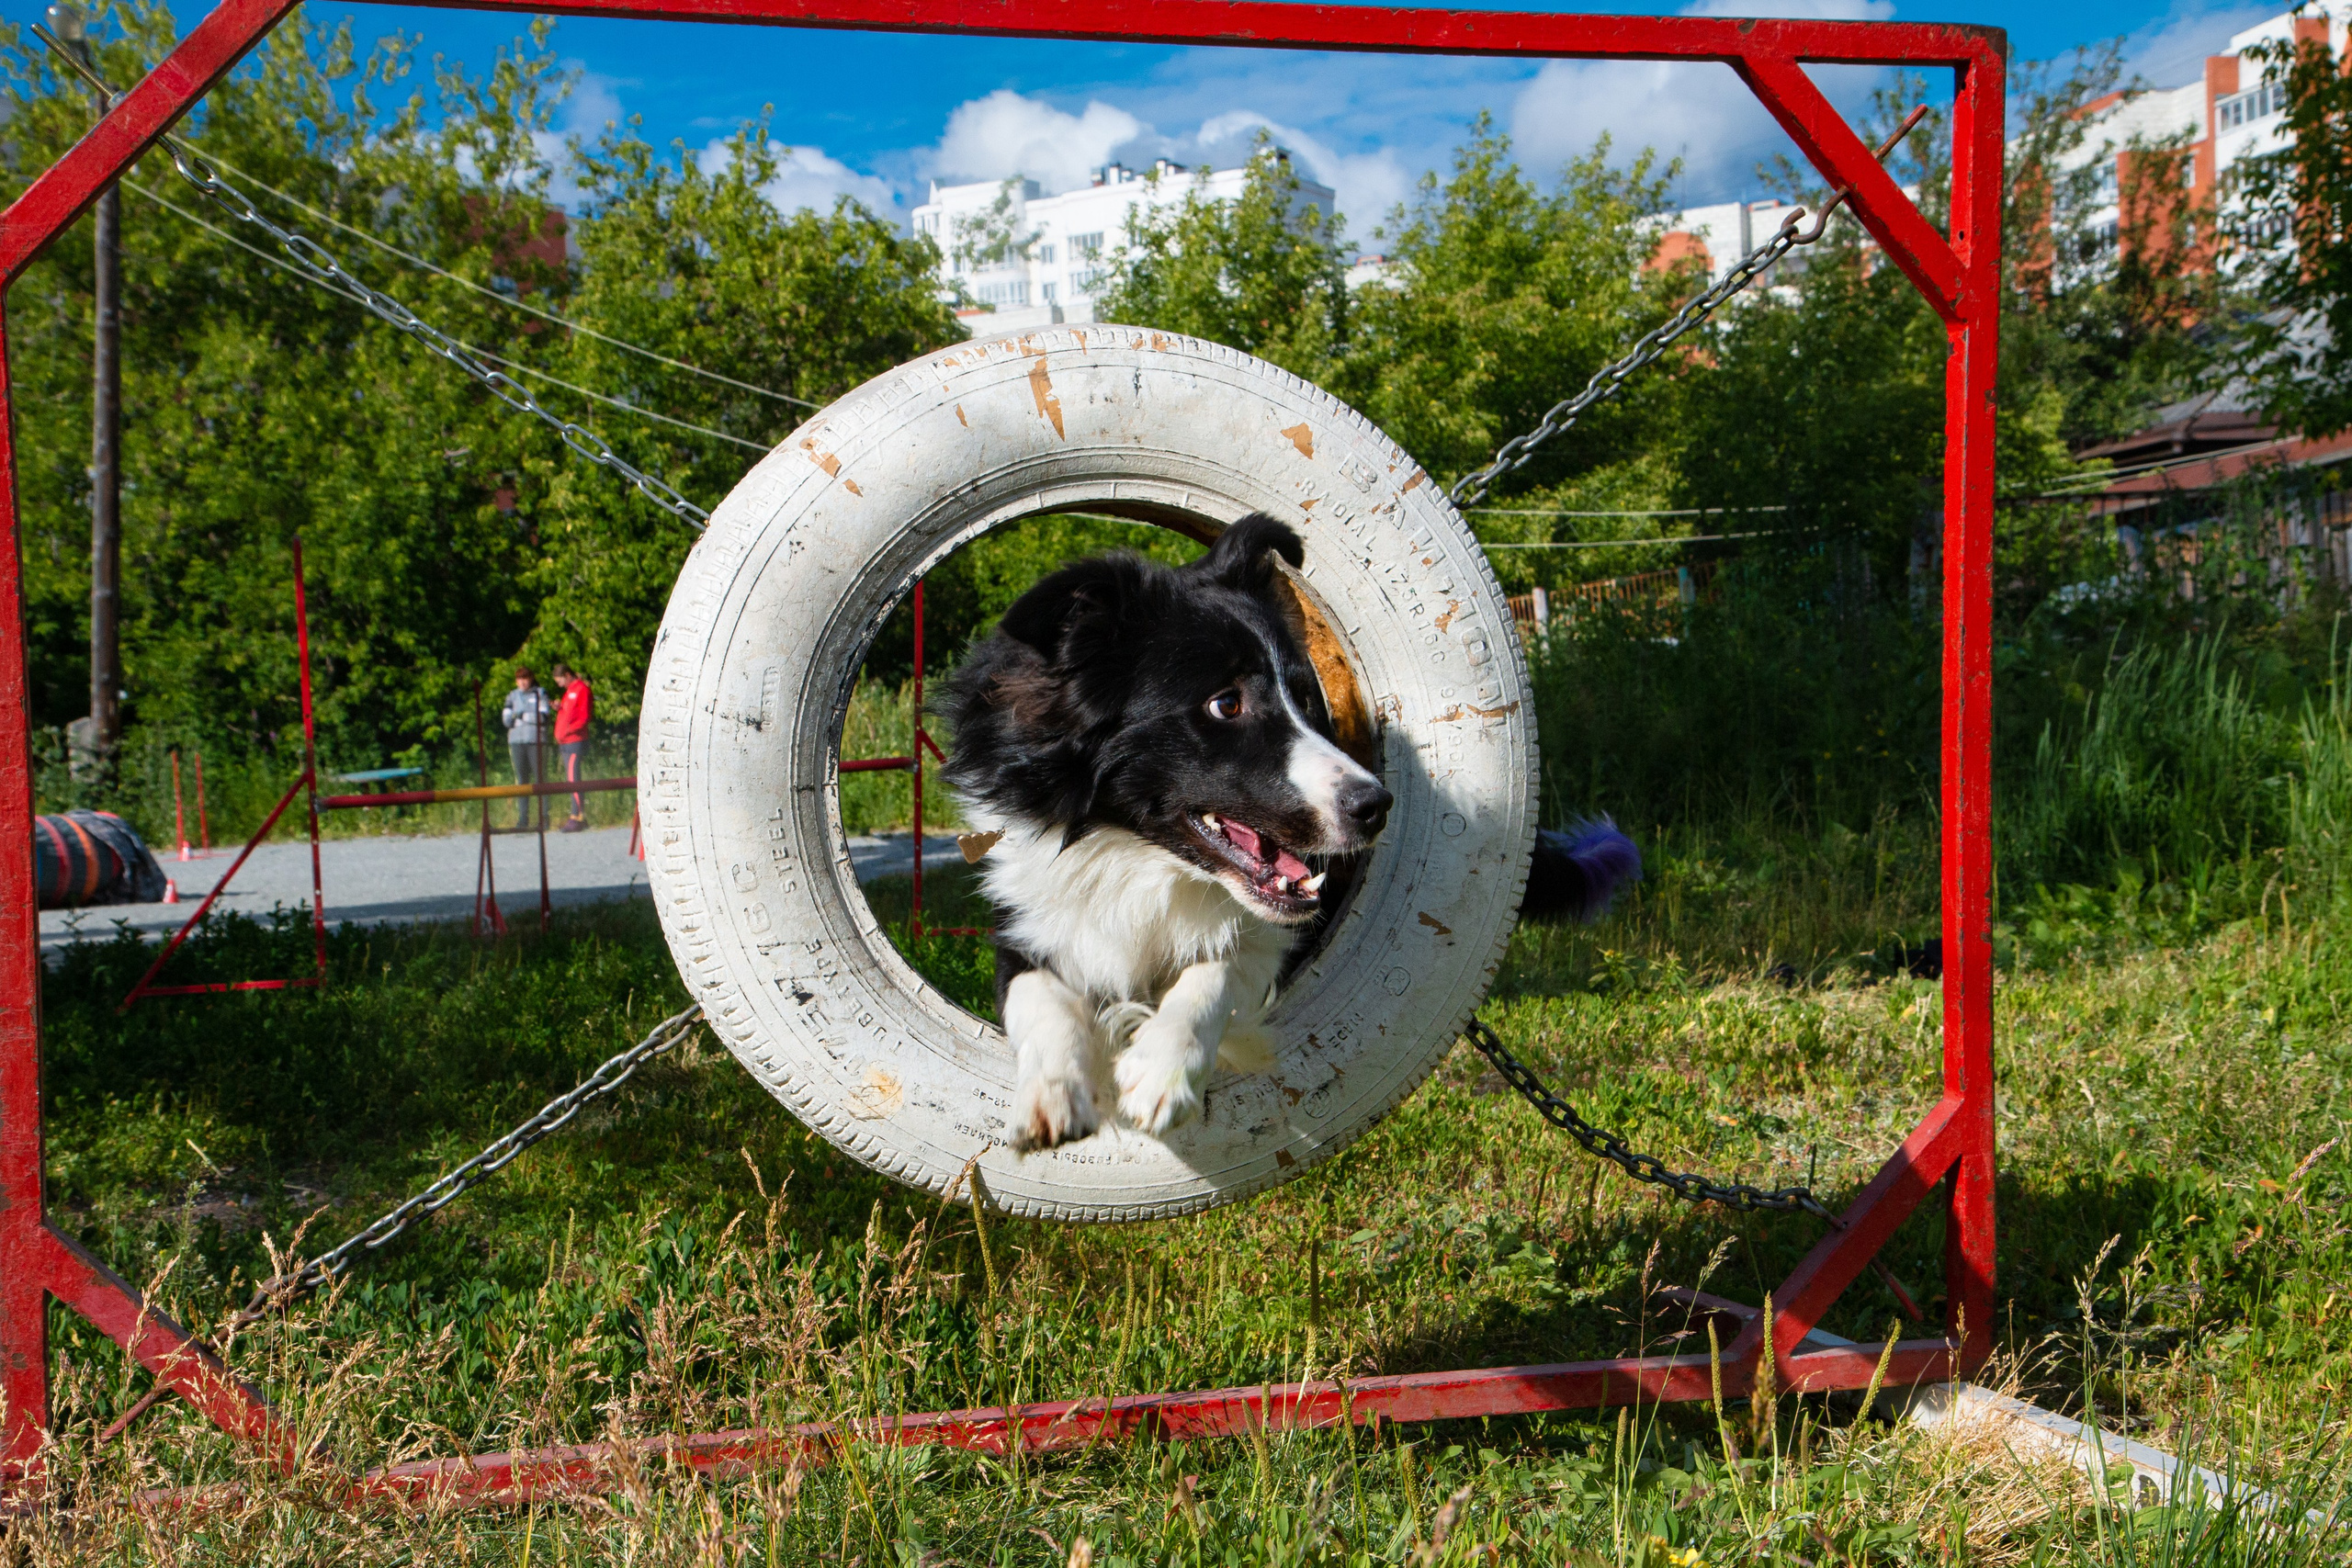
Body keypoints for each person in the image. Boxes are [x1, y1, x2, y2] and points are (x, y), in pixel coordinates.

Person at [500, 666, 551, 829]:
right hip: (516, 741)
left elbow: (543, 717)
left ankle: (544, 817)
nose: (522, 682)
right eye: (519, 679)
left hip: (536, 740)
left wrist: (521, 715)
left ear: (531, 678)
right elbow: (506, 720)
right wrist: (528, 715)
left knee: (540, 778)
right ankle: (523, 818)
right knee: (522, 780)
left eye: (525, 678)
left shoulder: (540, 693)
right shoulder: (512, 696)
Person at [551, 660, 594, 832]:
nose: (560, 685)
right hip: (566, 741)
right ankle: (576, 814)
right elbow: (570, 713)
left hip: (574, 741)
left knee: (573, 778)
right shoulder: (569, 692)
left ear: (567, 676)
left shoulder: (581, 689)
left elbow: (583, 717)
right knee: (571, 778)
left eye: (560, 681)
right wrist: (559, 708)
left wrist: (568, 730)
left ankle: (577, 816)